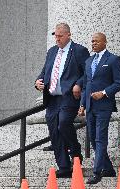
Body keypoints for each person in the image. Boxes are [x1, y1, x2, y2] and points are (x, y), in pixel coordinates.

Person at [35, 23, 89, 178]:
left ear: (68, 35)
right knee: (54, 131)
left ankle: (76, 151)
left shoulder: (79, 50)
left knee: (64, 123)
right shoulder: (52, 51)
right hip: (52, 98)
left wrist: (79, 83)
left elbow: (87, 72)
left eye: (60, 36)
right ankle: (64, 166)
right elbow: (45, 72)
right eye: (55, 36)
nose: (57, 39)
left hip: (68, 96)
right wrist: (37, 82)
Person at [78, 32, 120, 184]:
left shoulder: (113, 59)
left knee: (100, 138)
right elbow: (86, 85)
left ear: (105, 42)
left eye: (97, 41)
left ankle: (97, 172)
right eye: (92, 41)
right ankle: (109, 168)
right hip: (90, 106)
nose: (94, 43)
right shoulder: (89, 61)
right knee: (92, 138)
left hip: (104, 106)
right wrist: (82, 105)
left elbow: (119, 82)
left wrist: (104, 93)